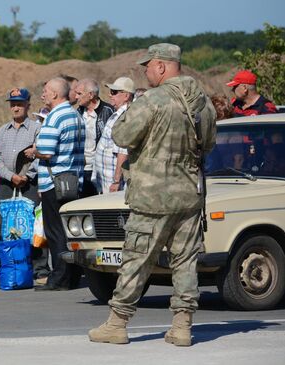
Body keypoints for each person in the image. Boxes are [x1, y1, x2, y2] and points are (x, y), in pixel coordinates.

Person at [88, 43, 217, 347]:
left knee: (137, 259)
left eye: (147, 66)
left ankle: (117, 323)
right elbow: (209, 144)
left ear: (161, 66)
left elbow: (121, 135)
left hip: (152, 195)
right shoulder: (204, 103)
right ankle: (183, 326)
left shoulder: (153, 101)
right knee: (185, 261)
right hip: (189, 193)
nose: (145, 72)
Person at [25, 77, 84, 291]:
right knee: (70, 232)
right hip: (73, 181)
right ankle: (73, 275)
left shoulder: (54, 117)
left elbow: (47, 153)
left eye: (46, 91)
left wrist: (34, 151)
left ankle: (59, 279)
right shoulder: (75, 115)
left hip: (54, 183)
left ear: (56, 94)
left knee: (56, 232)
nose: (43, 95)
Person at [0, 88, 50, 283]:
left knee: (33, 225)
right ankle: (7, 267)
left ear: (27, 105)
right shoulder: (2, 130)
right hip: (7, 185)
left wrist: (26, 175)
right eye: (13, 104)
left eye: (20, 104)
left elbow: (41, 155)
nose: (16, 107)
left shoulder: (36, 128)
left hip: (29, 184)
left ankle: (39, 270)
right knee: (5, 225)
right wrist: (11, 176)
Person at [92, 77, 135, 194]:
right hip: (106, 180)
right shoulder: (119, 114)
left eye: (114, 92)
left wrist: (116, 181)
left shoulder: (126, 117)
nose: (110, 95)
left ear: (126, 96)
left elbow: (123, 152)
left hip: (113, 183)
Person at [75, 78, 115, 197]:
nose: (76, 97)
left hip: (101, 169)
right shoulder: (77, 112)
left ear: (91, 95)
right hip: (82, 168)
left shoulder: (109, 111)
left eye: (79, 93)